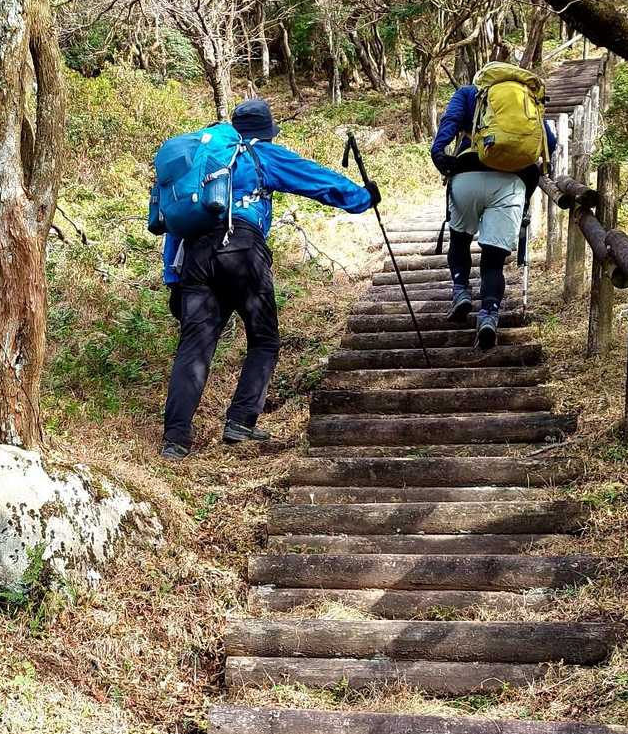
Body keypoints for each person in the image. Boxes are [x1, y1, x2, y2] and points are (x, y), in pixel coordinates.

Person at [159, 97, 376, 459]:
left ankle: (175, 440)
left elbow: (176, 226)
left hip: (195, 258)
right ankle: (241, 420)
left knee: (194, 348)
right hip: (242, 250)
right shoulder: (260, 153)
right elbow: (314, 179)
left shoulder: (203, 163)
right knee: (264, 339)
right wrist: (361, 198)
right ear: (266, 132)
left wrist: (173, 278)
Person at [430, 68, 557, 350]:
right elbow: (549, 142)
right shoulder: (527, 99)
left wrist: (438, 152)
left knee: (460, 239)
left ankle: (461, 290)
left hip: (467, 176)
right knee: (493, 259)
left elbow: (449, 122)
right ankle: (488, 314)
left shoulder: (468, 93)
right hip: (511, 183)